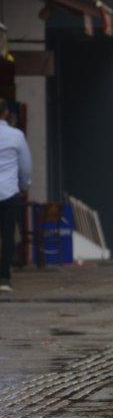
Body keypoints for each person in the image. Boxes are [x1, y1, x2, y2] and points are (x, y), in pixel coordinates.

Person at [0, 98, 32, 293]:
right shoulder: (16, 135)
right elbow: (25, 166)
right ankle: (4, 278)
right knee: (7, 235)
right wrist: (23, 185)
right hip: (8, 192)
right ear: (6, 113)